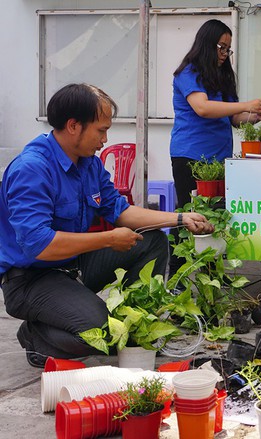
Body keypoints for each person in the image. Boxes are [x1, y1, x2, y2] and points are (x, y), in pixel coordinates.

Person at [0, 83, 214, 368]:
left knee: (152, 241)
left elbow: (120, 210)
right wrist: (108, 239)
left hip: (73, 265)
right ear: (73, 125)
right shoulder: (33, 168)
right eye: (101, 130)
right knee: (102, 334)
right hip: (30, 279)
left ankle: (130, 320)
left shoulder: (88, 163)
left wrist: (179, 219)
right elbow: (40, 244)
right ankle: (35, 335)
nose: (105, 138)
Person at [170, 18, 261, 209]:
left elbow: (233, 118)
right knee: (191, 215)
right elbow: (203, 108)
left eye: (228, 49)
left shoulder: (222, 75)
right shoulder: (188, 73)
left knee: (216, 215)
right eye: (221, 47)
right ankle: (175, 241)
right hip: (191, 157)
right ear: (207, 44)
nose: (225, 54)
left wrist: (255, 116)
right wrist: (246, 105)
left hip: (219, 159)